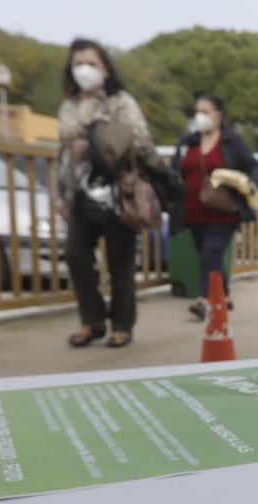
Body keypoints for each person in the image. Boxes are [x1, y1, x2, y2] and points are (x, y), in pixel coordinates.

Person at [57, 38, 182, 349]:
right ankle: (92, 320)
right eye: (78, 63)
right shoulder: (68, 106)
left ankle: (122, 324)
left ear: (105, 68)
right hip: (80, 194)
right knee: (76, 256)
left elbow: (141, 143)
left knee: (120, 262)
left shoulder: (120, 102)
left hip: (118, 192)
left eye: (91, 63)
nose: (84, 69)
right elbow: (61, 153)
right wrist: (60, 195)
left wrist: (99, 146)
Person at [171, 93, 258, 321]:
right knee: (208, 255)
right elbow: (175, 172)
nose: (199, 116)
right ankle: (226, 296)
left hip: (223, 211)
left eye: (205, 111)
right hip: (193, 211)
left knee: (210, 254)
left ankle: (204, 300)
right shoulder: (188, 142)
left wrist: (252, 184)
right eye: (197, 111)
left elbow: (254, 167)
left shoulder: (232, 142)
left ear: (218, 116)